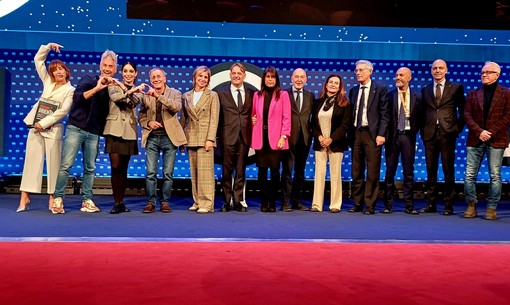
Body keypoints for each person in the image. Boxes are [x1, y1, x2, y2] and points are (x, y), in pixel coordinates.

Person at [52, 49, 117, 214]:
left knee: (90, 167)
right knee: (66, 165)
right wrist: (97, 88)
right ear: (100, 65)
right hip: (76, 128)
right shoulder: (89, 79)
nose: (107, 68)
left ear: (115, 69)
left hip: (94, 132)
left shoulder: (113, 88)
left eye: (111, 66)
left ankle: (87, 200)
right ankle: (58, 199)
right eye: (105, 65)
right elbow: (78, 98)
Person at [16, 42, 74, 213]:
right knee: (31, 162)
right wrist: (48, 47)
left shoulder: (70, 90)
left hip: (52, 128)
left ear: (66, 71)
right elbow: (38, 60)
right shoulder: (47, 82)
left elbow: (64, 110)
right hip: (35, 125)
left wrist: (45, 123)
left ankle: (53, 198)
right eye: (55, 69)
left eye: (61, 68)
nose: (58, 72)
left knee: (54, 165)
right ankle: (24, 196)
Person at [462, 61, 510, 220]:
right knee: (469, 175)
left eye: (488, 72)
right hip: (475, 138)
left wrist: (490, 132)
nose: (484, 75)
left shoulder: (506, 94)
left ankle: (491, 207)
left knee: (495, 175)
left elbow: (507, 116)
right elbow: (467, 115)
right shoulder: (473, 94)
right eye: (483, 72)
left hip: (496, 139)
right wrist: (479, 131)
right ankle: (471, 205)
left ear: (497, 75)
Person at [420, 59, 466, 215]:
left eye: (440, 68)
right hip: (430, 135)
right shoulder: (425, 90)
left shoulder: (456, 88)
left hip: (448, 134)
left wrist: (456, 129)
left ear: (446, 70)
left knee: (448, 170)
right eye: (434, 68)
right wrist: (423, 131)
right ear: (431, 71)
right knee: (430, 171)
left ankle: (448, 205)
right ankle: (431, 204)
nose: (437, 70)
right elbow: (423, 113)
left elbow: (464, 111)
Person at [138, 68, 187, 213]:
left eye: (159, 76)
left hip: (169, 137)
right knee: (151, 172)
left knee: (168, 173)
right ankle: (150, 202)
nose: (156, 79)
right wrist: (148, 123)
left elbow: (176, 107)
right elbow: (141, 116)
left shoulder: (175, 93)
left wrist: (158, 96)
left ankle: (165, 202)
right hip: (152, 137)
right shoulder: (146, 96)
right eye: (153, 77)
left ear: (165, 79)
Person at [348, 60, 389, 215]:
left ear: (370, 71)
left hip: (373, 135)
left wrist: (381, 134)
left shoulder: (380, 89)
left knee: (372, 172)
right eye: (356, 70)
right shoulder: (353, 91)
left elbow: (384, 114)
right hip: (356, 134)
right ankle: (357, 203)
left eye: (361, 70)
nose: (358, 73)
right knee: (356, 171)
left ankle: (370, 204)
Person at [104, 61, 144, 214]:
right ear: (122, 73)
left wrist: (128, 91)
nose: (128, 74)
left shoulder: (139, 91)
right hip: (114, 129)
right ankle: (116, 202)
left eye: (131, 71)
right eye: (125, 71)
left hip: (129, 131)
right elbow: (117, 99)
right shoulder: (113, 86)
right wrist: (124, 88)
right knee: (115, 166)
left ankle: (121, 202)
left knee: (124, 168)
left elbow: (133, 102)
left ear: (135, 73)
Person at [216, 62, 255, 212]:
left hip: (245, 136)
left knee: (240, 170)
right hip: (227, 136)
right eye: (234, 73)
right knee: (226, 171)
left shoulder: (252, 93)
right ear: (230, 75)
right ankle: (226, 201)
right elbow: (217, 116)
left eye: (240, 73)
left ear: (244, 76)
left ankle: (239, 200)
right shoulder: (221, 93)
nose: (237, 76)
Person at [251, 66, 291, 212]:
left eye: (272, 77)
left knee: (275, 172)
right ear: (264, 79)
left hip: (276, 139)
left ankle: (273, 201)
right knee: (261, 172)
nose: (270, 79)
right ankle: (264, 200)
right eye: (267, 77)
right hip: (261, 139)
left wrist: (283, 136)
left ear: (276, 79)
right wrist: (252, 120)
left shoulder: (283, 95)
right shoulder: (257, 95)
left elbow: (287, 117)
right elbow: (253, 114)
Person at [180, 66, 220, 214]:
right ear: (194, 78)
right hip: (190, 136)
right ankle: (197, 201)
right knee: (194, 172)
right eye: (200, 76)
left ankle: (207, 203)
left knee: (205, 173)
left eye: (205, 77)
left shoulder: (212, 95)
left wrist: (210, 139)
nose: (203, 79)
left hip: (205, 138)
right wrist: (181, 140)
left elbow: (214, 119)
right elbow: (184, 119)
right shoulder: (186, 96)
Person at [310, 74, 351, 212]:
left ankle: (335, 204)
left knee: (335, 174)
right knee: (319, 173)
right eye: (331, 82)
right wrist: (320, 137)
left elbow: (345, 125)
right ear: (326, 84)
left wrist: (331, 139)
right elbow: (313, 123)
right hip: (320, 143)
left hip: (336, 143)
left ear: (340, 87)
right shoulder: (317, 102)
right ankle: (316, 205)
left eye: (336, 83)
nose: (333, 85)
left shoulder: (344, 103)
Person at [382, 67, 421, 214]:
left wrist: (413, 133)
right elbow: (385, 117)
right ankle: (387, 204)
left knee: (408, 172)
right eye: (396, 75)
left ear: (409, 78)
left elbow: (419, 118)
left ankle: (409, 205)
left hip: (408, 137)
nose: (398, 77)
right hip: (392, 137)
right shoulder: (390, 96)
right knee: (389, 172)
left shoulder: (417, 97)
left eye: (401, 75)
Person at [281, 68, 315, 211]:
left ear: (306, 79)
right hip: (288, 137)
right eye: (296, 77)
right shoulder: (284, 94)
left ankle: (297, 201)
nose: (299, 80)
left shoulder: (310, 96)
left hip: (305, 138)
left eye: (302, 77)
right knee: (287, 171)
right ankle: (285, 202)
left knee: (300, 172)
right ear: (291, 78)